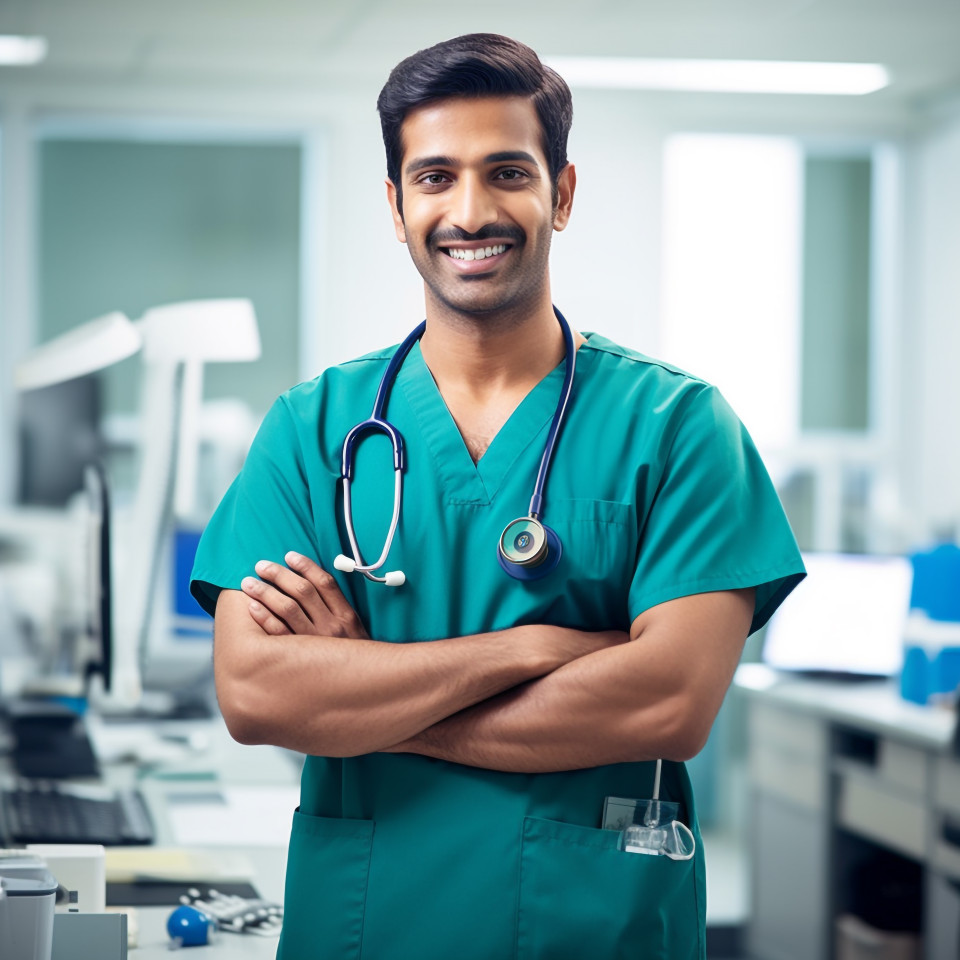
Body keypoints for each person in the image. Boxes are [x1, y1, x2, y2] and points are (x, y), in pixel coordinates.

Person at [191, 33, 805, 960]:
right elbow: (257, 694)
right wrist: (533, 648)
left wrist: (368, 699)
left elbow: (668, 705)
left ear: (561, 194)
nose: (470, 211)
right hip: (366, 926)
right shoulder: (311, 429)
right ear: (395, 208)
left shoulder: (678, 427)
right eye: (434, 177)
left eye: (506, 171)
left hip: (591, 930)